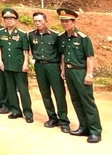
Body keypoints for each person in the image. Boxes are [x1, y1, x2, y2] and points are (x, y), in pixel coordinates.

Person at [58, 8, 102, 143]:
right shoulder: (62, 37)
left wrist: (89, 74)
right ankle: (83, 127)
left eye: (67, 21)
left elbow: (89, 57)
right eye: (62, 21)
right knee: (76, 100)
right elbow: (63, 54)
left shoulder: (83, 38)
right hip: (70, 72)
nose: (65, 24)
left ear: (73, 21)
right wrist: (63, 69)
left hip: (81, 72)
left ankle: (95, 130)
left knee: (87, 102)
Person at [29, 12, 70, 133]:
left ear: (46, 21)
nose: (37, 23)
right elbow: (32, 49)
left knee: (59, 94)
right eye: (35, 21)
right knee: (45, 93)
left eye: (40, 21)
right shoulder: (31, 35)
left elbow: (61, 53)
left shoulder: (56, 36)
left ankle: (64, 120)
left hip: (53, 66)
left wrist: (62, 68)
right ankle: (52, 118)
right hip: (39, 66)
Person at [0, 8, 33, 123]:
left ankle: (28, 113)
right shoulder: (0, 32)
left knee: (23, 90)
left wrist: (26, 63)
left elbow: (25, 50)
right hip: (6, 64)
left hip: (19, 65)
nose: (9, 20)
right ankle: (16, 110)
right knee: (11, 89)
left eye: (11, 18)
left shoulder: (22, 34)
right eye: (7, 18)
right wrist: (0, 61)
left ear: (16, 20)